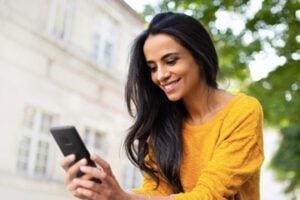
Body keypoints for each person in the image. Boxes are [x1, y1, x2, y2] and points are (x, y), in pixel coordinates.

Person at [60, 12, 264, 200]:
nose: (160, 75)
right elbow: (156, 192)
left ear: (200, 57)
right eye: (152, 67)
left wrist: (124, 198)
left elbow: (209, 195)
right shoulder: (163, 121)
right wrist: (103, 192)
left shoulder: (243, 111)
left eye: (171, 61)